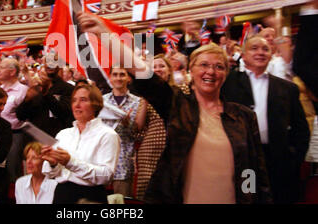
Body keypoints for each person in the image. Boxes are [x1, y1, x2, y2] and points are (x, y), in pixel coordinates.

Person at [77, 11, 272, 204]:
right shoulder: (178, 104)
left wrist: (251, 197)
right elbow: (142, 72)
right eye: (203, 65)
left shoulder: (243, 116)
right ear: (191, 70)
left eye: (219, 67)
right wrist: (104, 34)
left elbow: (252, 170)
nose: (211, 71)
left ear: (226, 73)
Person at [221, 35, 310, 203]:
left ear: (271, 54)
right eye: (254, 48)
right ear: (244, 55)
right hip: (245, 161)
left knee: (279, 198)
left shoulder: (287, 88)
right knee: (250, 198)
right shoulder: (227, 83)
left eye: (265, 49)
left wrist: (294, 158)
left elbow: (301, 129)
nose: (260, 52)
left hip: (278, 160)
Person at [41, 83, 120, 204]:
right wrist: (52, 163)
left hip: (90, 196)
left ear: (95, 104)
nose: (77, 105)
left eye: (83, 100)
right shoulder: (63, 134)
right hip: (61, 194)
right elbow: (51, 174)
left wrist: (70, 162)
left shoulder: (108, 135)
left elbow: (106, 176)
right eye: (74, 100)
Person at [98, 66, 146, 197]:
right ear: (110, 78)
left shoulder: (137, 102)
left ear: (128, 78)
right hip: (101, 161)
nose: (118, 78)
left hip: (123, 163)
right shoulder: (102, 101)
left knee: (122, 204)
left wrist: (127, 124)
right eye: (115, 74)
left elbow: (137, 133)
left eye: (122, 74)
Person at [0, 58, 28, 182]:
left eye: (2, 67)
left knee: (12, 170)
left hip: (15, 136)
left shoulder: (23, 90)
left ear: (12, 71)